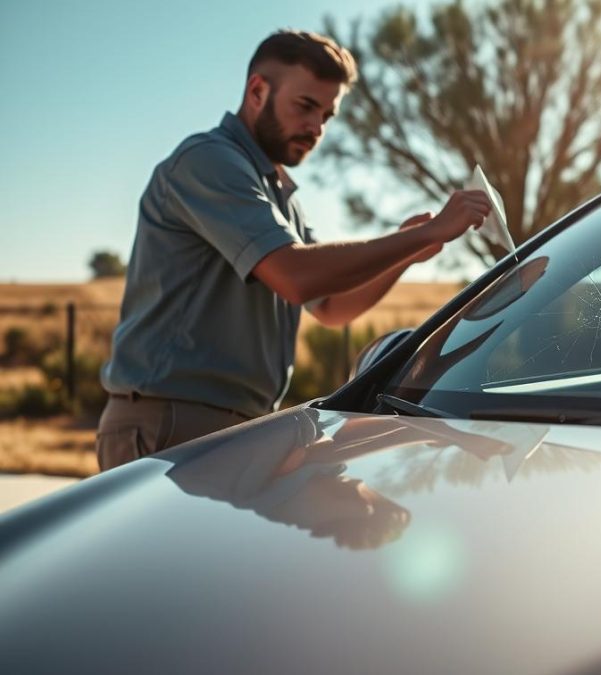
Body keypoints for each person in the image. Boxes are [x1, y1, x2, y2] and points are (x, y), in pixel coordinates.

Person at [96, 30, 491, 471]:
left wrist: (409, 252)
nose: (317, 128)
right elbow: (296, 275)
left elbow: (332, 307)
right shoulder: (209, 161)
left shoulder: (280, 194)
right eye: (305, 107)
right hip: (171, 422)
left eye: (327, 115)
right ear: (257, 91)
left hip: (237, 428)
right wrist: (422, 233)